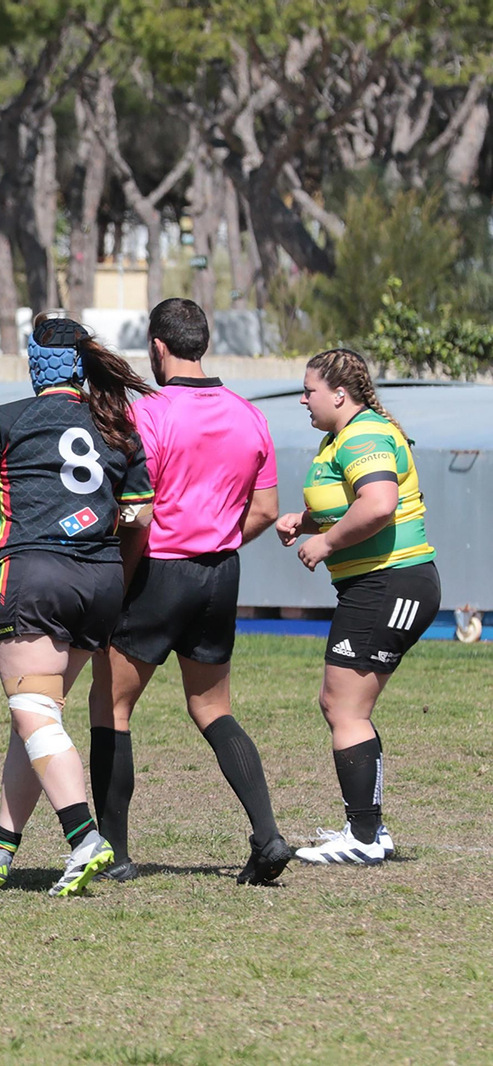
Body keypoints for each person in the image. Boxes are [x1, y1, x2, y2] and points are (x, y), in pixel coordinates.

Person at [88, 298, 292, 886]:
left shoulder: (147, 412)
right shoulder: (249, 414)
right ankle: (268, 834)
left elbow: (137, 513)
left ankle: (116, 855)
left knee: (113, 707)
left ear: (158, 347)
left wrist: (118, 583)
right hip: (219, 574)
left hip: (157, 573)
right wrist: (218, 539)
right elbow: (266, 510)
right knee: (212, 709)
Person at [0, 315, 155, 896]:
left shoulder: (9, 418)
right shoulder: (117, 423)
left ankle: (84, 836)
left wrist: (7, 499)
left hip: (34, 576)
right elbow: (140, 512)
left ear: (36, 363)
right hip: (100, 583)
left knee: (34, 712)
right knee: (35, 716)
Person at [275, 349, 438, 865]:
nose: (303, 399)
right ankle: (368, 829)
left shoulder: (364, 435)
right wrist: (306, 522)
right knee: (342, 705)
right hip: (376, 585)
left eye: (310, 390)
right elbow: (351, 502)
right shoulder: (341, 438)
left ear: (339, 393)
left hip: (388, 584)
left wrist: (324, 544)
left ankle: (365, 838)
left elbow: (379, 504)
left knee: (344, 707)